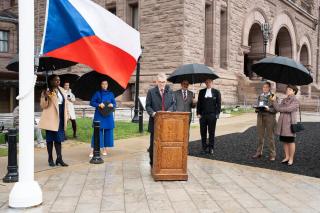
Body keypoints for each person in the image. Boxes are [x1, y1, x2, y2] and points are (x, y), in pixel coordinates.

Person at [146, 73, 175, 167]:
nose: (162, 84)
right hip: (155, 122)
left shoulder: (170, 91)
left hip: (167, 123)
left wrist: (169, 112)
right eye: (160, 82)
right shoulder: (151, 92)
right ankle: (153, 163)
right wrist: (153, 113)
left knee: (165, 143)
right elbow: (148, 106)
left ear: (166, 82)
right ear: (156, 82)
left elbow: (173, 104)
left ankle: (163, 162)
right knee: (154, 144)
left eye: (163, 82)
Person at [39, 74, 69, 167]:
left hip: (60, 116)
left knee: (58, 139)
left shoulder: (62, 90)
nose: (58, 82)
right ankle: (50, 158)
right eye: (56, 80)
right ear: (51, 81)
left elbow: (65, 103)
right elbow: (43, 106)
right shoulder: (46, 91)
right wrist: (46, 96)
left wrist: (67, 115)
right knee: (50, 140)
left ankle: (59, 159)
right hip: (51, 118)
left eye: (59, 80)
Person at [271, 85, 299, 166]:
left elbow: (287, 109)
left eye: (290, 89)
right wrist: (273, 100)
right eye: (287, 89)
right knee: (285, 141)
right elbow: (277, 108)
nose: (287, 90)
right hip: (282, 124)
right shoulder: (284, 100)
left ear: (294, 91)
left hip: (290, 124)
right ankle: (287, 157)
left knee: (291, 141)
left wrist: (280, 108)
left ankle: (291, 158)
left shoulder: (295, 101)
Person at [89, 80, 116, 157]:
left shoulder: (111, 94)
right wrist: (98, 104)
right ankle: (93, 150)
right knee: (97, 132)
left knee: (108, 133)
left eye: (106, 84)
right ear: (101, 85)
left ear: (108, 85)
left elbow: (114, 103)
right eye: (103, 84)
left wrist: (112, 104)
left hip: (108, 115)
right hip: (99, 115)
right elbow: (91, 102)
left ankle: (105, 149)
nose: (104, 85)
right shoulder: (97, 93)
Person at [252, 82, 277, 161]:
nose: (264, 88)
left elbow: (276, 109)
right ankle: (259, 152)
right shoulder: (260, 96)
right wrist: (256, 108)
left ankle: (272, 154)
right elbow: (258, 105)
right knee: (260, 136)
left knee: (270, 137)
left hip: (270, 117)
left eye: (266, 87)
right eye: (263, 87)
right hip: (260, 117)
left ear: (269, 88)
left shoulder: (273, 96)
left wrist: (269, 109)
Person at [196, 79, 221, 155]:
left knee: (211, 132)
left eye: (209, 82)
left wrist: (217, 114)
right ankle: (204, 147)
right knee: (203, 132)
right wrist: (198, 113)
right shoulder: (201, 92)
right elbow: (199, 103)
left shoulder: (216, 92)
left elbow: (219, 104)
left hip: (212, 115)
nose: (208, 83)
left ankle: (211, 148)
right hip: (203, 115)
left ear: (212, 83)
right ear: (205, 83)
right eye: (206, 82)